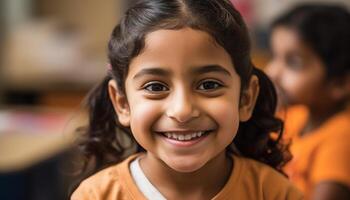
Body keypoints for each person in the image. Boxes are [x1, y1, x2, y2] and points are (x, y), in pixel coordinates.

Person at [71, 0, 302, 199]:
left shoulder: (274, 193)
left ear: (245, 99)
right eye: (155, 87)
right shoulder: (95, 196)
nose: (182, 110)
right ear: (122, 103)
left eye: (209, 85)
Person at [266, 4, 350, 200]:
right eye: (274, 57)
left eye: (293, 63)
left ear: (340, 83)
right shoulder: (293, 117)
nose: (273, 72)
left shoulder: (341, 138)